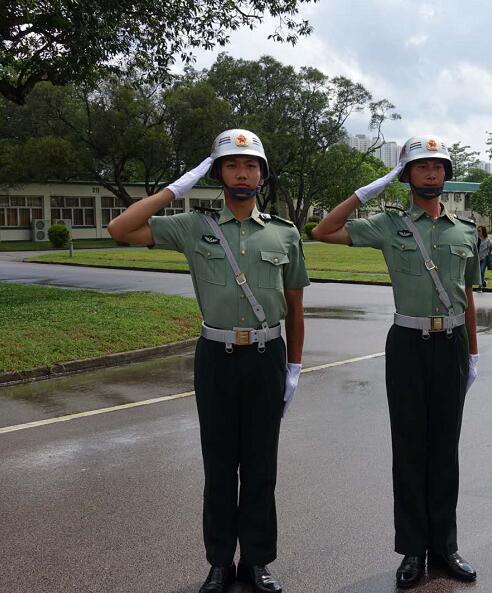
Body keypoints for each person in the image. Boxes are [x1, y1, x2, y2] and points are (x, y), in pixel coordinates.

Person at [108, 129, 308, 593]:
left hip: (266, 355)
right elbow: (119, 229)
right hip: (215, 356)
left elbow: (296, 307)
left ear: (262, 174)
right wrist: (176, 189)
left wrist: (294, 367)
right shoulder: (193, 226)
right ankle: (219, 561)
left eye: (252, 165)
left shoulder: (284, 232)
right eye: (233, 165)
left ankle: (257, 561)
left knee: (260, 465)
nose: (244, 172)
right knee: (219, 465)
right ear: (217, 173)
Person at [312, 135, 481, 588]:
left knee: (445, 449)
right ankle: (412, 551)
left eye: (438, 167)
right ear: (405, 176)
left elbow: (467, 295)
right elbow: (323, 231)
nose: (431, 174)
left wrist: (473, 354)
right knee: (409, 450)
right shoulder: (388, 225)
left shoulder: (465, 230)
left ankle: (445, 547)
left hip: (452, 345)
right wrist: (366, 191)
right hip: (407, 343)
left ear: (446, 174)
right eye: (421, 167)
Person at [476, 225, 492, 291]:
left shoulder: (487, 239)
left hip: (484, 258)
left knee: (481, 272)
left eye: (479, 231)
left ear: (483, 231)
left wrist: (491, 246)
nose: (478, 232)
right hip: (477, 259)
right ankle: (484, 282)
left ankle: (480, 287)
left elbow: (491, 248)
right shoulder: (476, 239)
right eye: (477, 230)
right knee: (479, 273)